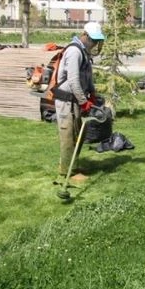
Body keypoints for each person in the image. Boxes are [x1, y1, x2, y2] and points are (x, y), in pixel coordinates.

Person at [53, 21, 105, 176]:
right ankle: (66, 172)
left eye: (97, 40)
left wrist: (92, 93)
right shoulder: (74, 52)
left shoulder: (84, 52)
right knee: (68, 136)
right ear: (85, 35)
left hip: (75, 100)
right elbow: (73, 80)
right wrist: (83, 102)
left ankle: (73, 166)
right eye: (93, 40)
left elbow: (88, 76)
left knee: (78, 135)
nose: (94, 43)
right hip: (66, 101)